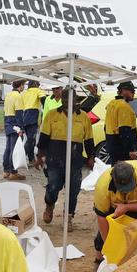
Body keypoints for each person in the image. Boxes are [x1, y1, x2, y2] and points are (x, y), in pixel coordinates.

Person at [35, 89, 96, 224]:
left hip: (75, 161)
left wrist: (91, 157)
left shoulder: (83, 117)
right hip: (54, 160)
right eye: (65, 99)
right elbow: (43, 138)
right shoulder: (51, 115)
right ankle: (49, 206)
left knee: (73, 191)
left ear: (76, 99)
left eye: (71, 99)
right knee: (53, 187)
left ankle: (68, 216)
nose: (68, 101)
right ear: (61, 100)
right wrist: (39, 157)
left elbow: (89, 140)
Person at [93, 160, 137, 252]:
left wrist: (126, 207)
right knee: (105, 238)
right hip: (115, 206)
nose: (126, 191)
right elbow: (101, 216)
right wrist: (108, 246)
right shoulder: (102, 186)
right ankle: (100, 260)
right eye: (122, 189)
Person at [104, 81, 137, 163]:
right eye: (132, 91)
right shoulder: (124, 106)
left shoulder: (112, 104)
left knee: (115, 171)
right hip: (122, 148)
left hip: (112, 145)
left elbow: (106, 127)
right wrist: (129, 152)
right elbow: (124, 131)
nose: (134, 93)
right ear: (123, 91)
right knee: (124, 173)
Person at [2, 79, 26, 180]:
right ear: (20, 85)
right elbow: (19, 112)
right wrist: (21, 127)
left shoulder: (8, 95)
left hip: (7, 119)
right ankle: (13, 172)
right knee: (14, 149)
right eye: (24, 85)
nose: (24, 87)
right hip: (15, 121)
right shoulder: (18, 96)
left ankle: (6, 171)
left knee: (8, 148)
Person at [19, 80, 45, 166]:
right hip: (32, 115)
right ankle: (21, 157)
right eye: (39, 84)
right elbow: (44, 100)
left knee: (30, 139)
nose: (39, 85)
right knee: (31, 140)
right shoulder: (38, 90)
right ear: (36, 84)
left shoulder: (24, 93)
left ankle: (31, 159)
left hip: (23, 116)